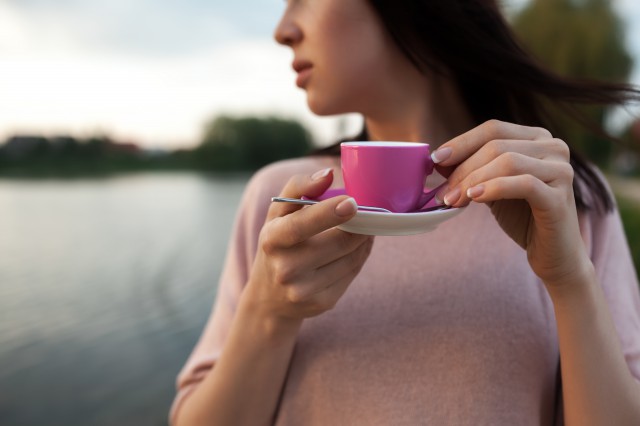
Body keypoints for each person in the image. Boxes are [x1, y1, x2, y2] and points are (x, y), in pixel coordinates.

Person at [171, 0, 640, 424]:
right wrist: (269, 313)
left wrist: (570, 280)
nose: (282, 29)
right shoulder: (284, 199)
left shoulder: (562, 196)